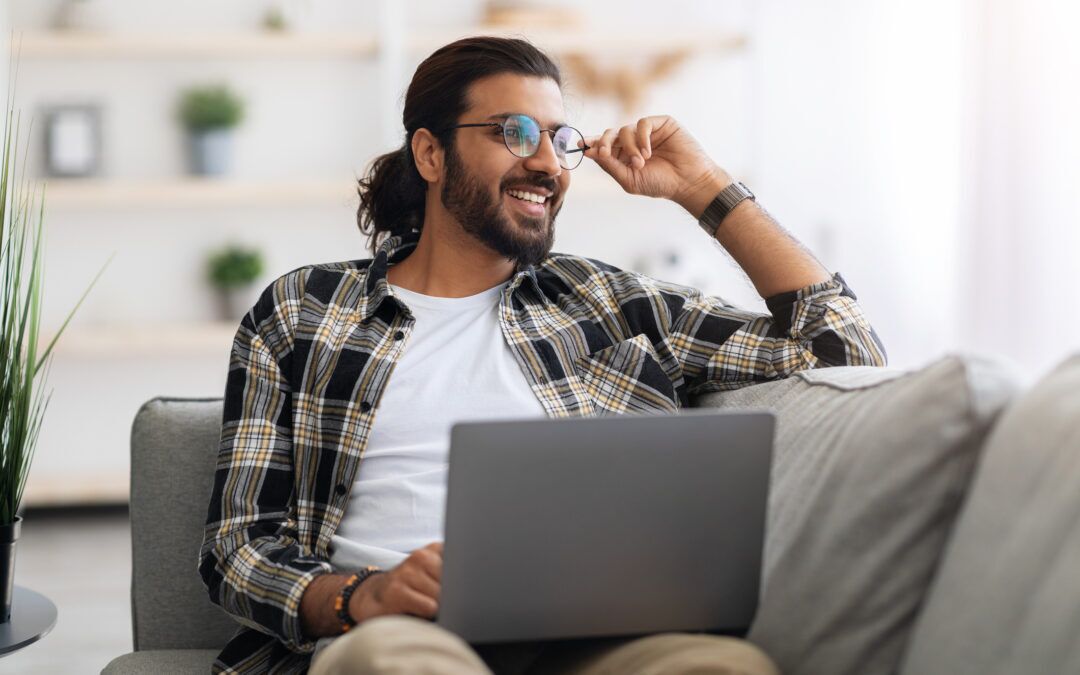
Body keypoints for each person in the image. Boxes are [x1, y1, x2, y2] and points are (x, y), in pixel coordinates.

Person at [198, 36, 887, 675]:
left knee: (722, 667)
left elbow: (846, 349)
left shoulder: (608, 303)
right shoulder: (303, 311)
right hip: (398, 636)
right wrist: (359, 595)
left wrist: (704, 187)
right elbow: (238, 547)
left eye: (561, 139)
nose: (547, 162)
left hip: (594, 637)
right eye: (514, 132)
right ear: (432, 155)